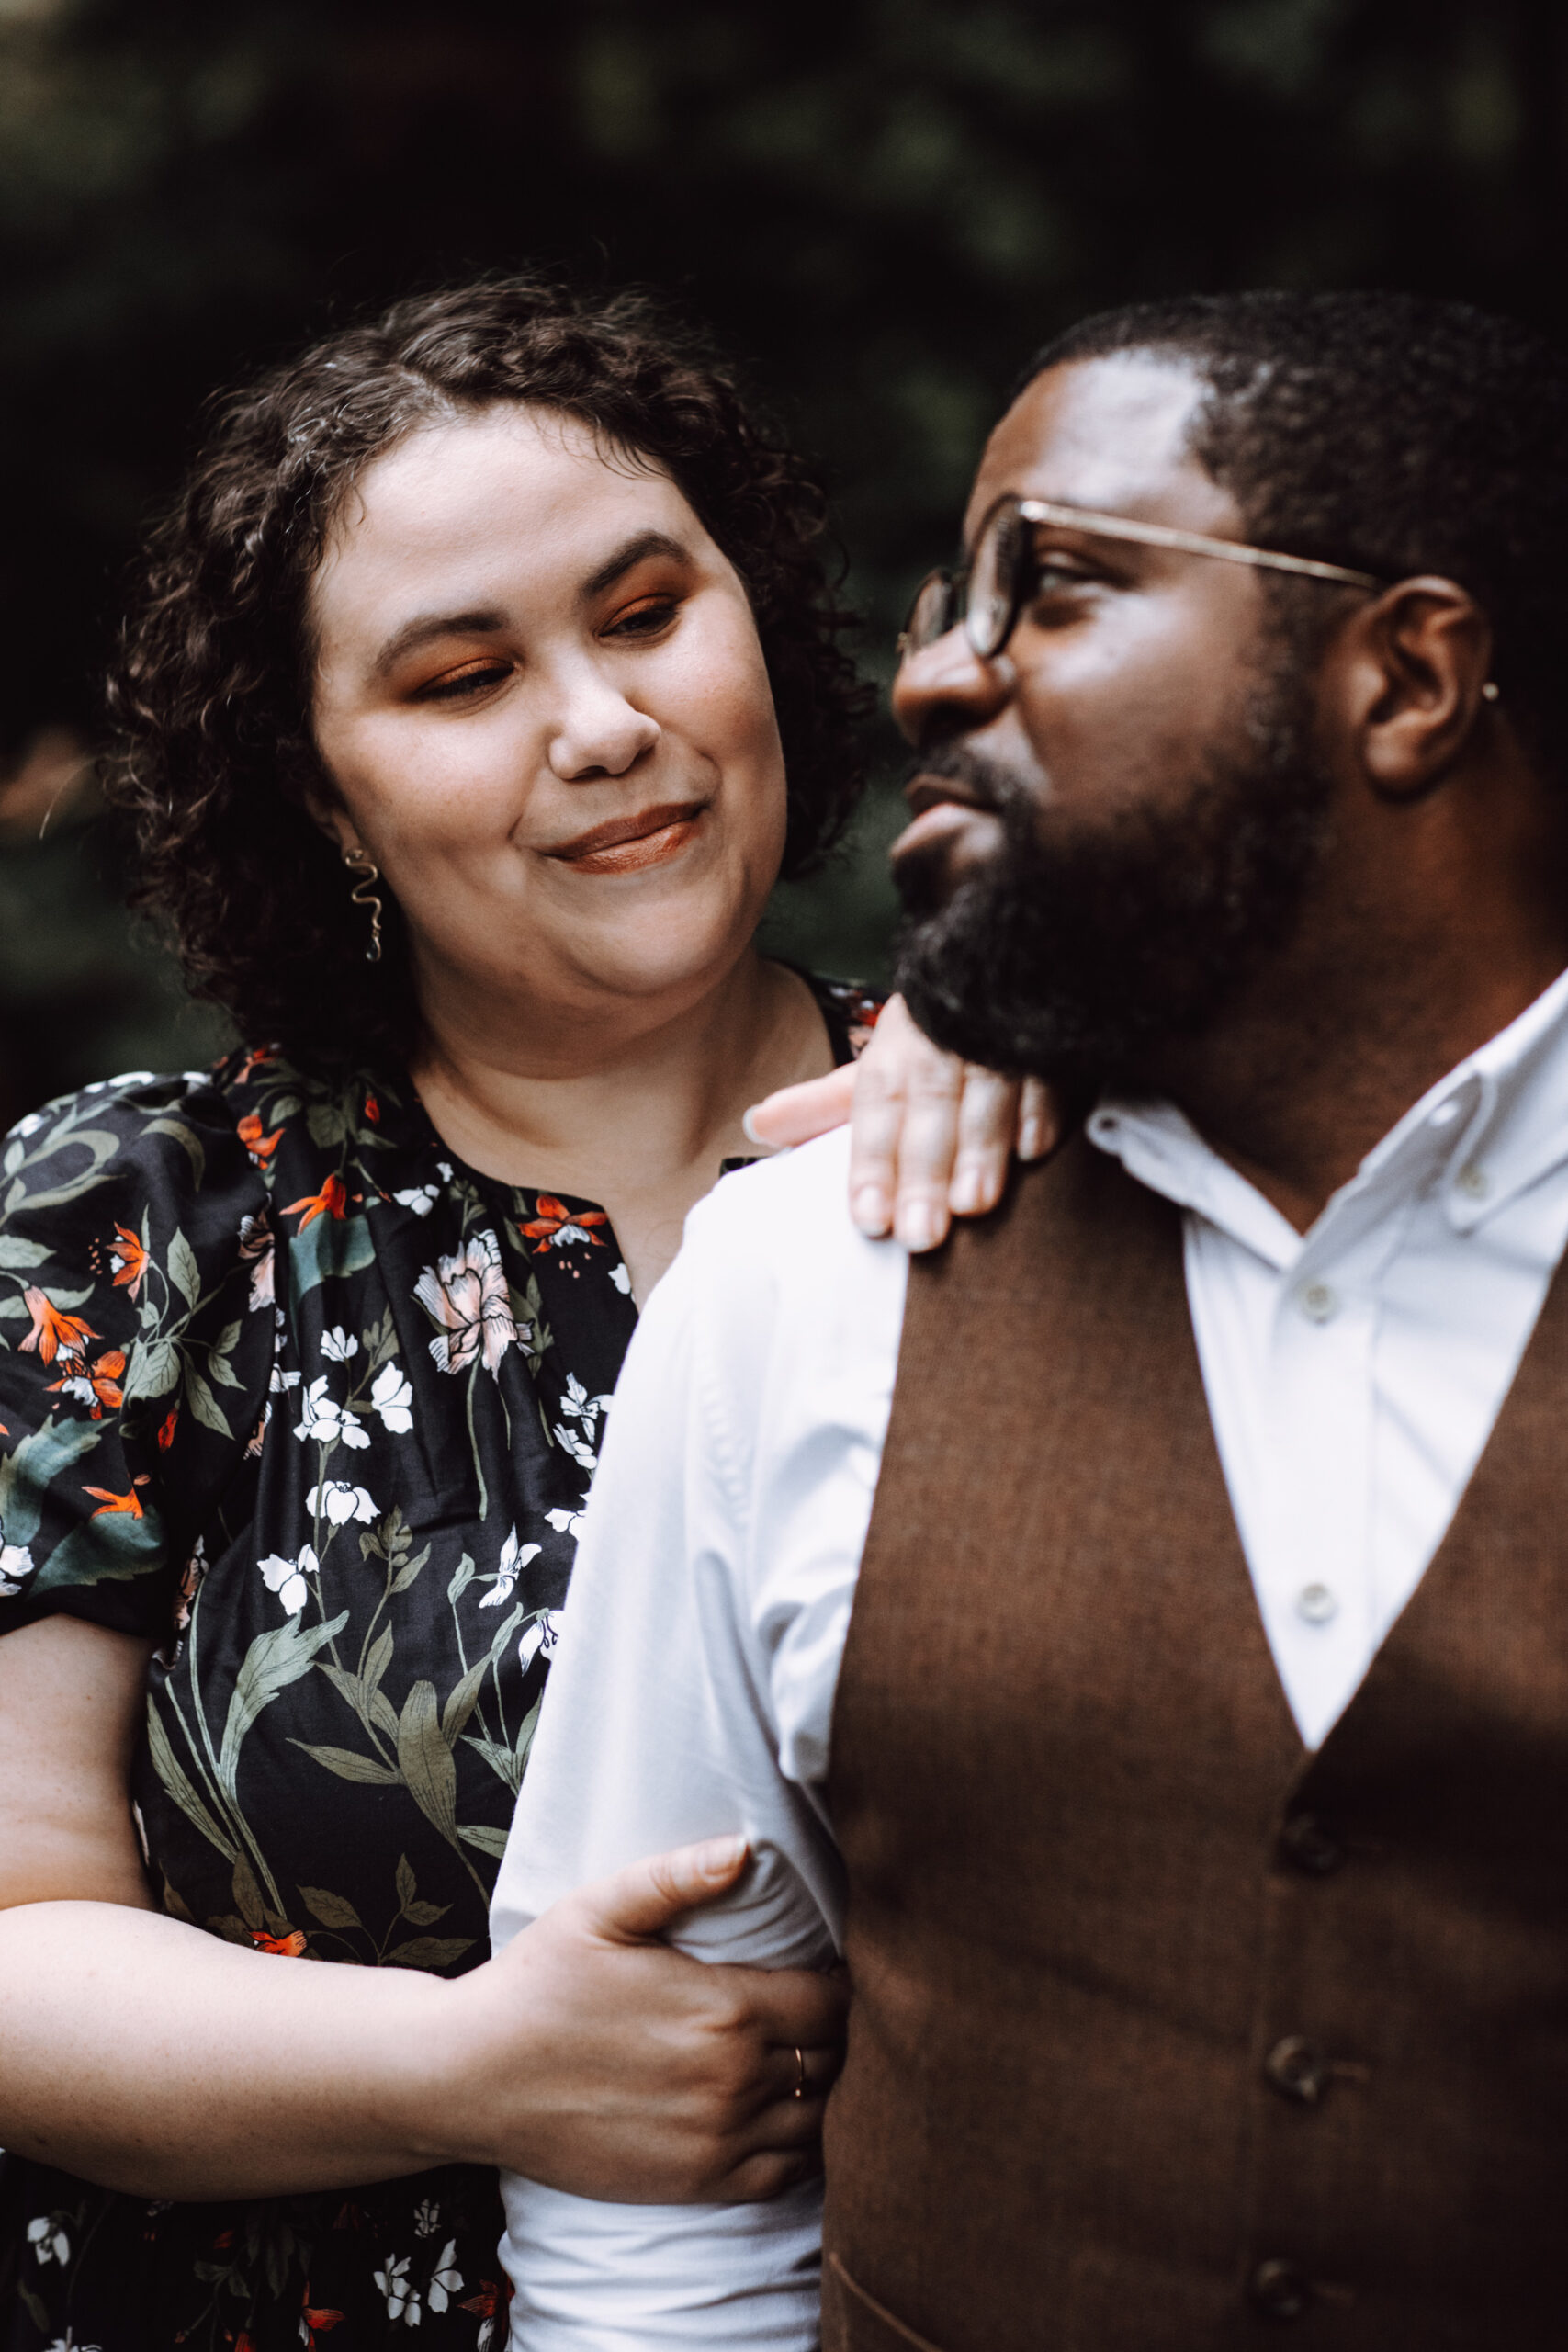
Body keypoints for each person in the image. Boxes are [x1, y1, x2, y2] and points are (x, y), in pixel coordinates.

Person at [491, 289, 1568, 2350]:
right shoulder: (808, 1269)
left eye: (1048, 587)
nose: (930, 675)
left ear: (1406, 675)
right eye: (938, 599)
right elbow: (653, 2181)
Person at [0, 277, 1033, 2350]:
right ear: (320, 789)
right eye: (463, 677)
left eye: (648, 613)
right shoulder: (146, 1214)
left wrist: (1072, 1066)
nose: (600, 723)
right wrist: (467, 2066)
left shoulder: (1010, 1143)